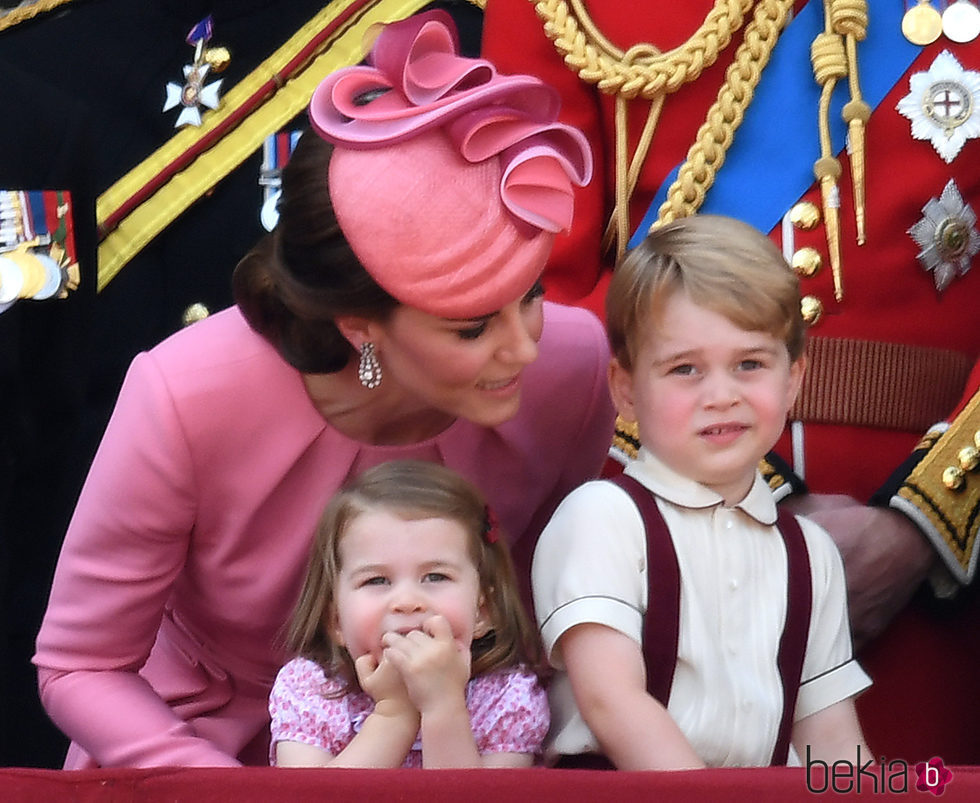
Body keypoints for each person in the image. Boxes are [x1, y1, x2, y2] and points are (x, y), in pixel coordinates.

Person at [32, 10, 614, 769]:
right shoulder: (187, 392)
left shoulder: (570, 369)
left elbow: (545, 614)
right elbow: (80, 662)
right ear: (360, 325)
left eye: (531, 290)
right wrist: (236, 792)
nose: (526, 343)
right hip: (198, 753)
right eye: (473, 326)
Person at [482, 0, 979, 763]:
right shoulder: (565, 12)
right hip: (659, 517)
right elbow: (540, 293)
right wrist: (752, 503)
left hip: (939, 579)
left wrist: (924, 522)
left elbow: (845, 771)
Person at [534, 215, 871, 770]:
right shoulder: (603, 516)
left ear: (793, 380)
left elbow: (831, 741)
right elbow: (611, 701)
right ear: (626, 391)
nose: (721, 395)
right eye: (685, 368)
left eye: (750, 364)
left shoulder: (810, 554)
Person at [270, 460, 548, 768]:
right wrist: (394, 713)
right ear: (335, 620)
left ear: (483, 611)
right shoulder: (310, 690)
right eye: (377, 580)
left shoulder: (506, 699)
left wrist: (443, 706)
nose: (406, 601)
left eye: (435, 577)